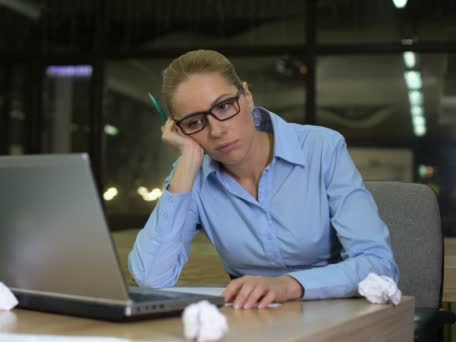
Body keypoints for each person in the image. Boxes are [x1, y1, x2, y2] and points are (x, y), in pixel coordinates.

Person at [128, 49, 399, 310]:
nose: (217, 130)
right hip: (252, 319)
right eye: (195, 122)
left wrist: (288, 285)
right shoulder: (191, 171)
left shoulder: (322, 147)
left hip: (336, 313)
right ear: (179, 130)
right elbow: (151, 278)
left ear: (246, 96)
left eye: (223, 106)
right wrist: (187, 161)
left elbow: (378, 264)